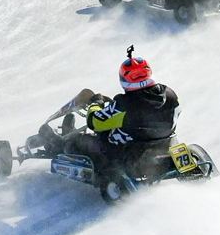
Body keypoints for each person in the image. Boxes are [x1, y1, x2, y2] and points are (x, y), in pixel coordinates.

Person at [70, 46, 179, 177]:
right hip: (164, 147)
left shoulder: (125, 103)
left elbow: (94, 122)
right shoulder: (170, 94)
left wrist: (96, 103)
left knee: (77, 141)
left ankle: (56, 141)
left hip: (128, 155)